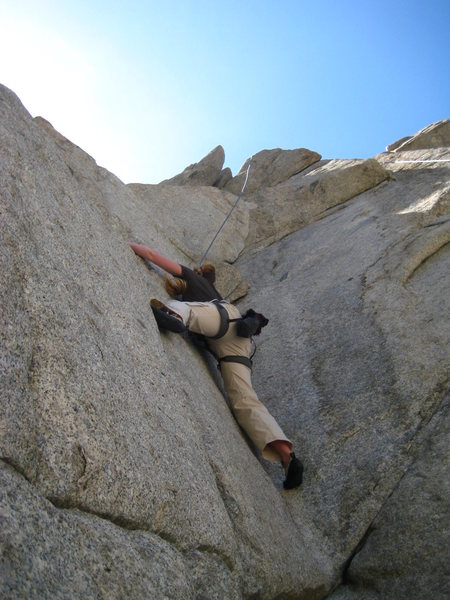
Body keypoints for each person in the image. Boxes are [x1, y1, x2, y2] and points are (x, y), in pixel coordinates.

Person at [130, 243, 303, 489]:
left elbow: (152, 255)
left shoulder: (191, 278)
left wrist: (128, 244)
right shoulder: (212, 288)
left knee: (183, 310)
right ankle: (286, 455)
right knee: (245, 401)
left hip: (220, 318)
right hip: (238, 342)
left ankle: (175, 316)